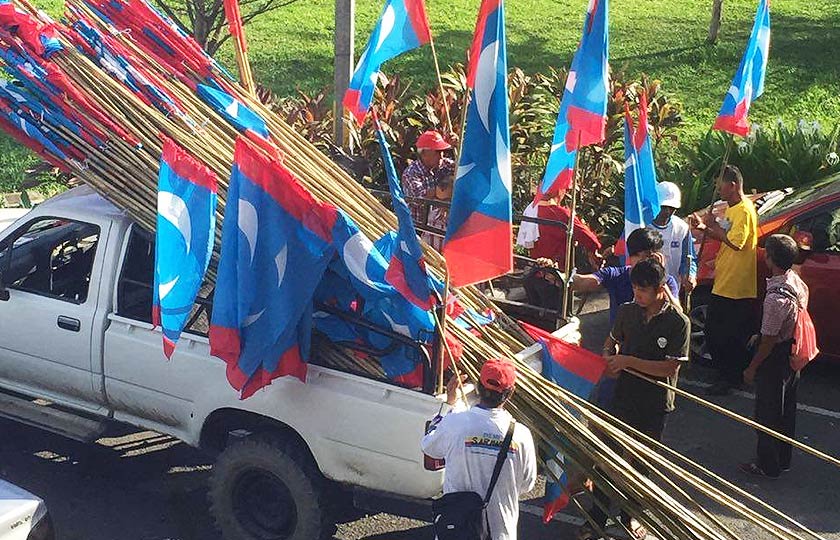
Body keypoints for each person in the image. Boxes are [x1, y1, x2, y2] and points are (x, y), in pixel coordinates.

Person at [578, 258, 690, 540]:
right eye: (635, 289)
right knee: (608, 458)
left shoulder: (678, 322)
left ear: (660, 289)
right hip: (623, 396)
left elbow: (669, 368)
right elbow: (611, 341)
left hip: (654, 402)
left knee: (641, 463)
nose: (637, 295)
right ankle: (597, 517)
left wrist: (627, 361)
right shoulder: (628, 311)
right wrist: (608, 357)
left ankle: (632, 515)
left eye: (643, 290)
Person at [421, 359, 537, 540]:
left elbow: (429, 446)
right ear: (510, 393)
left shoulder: (455, 423)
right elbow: (527, 484)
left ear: (478, 387)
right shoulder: (521, 435)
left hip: (457, 530)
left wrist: (448, 405)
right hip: (500, 533)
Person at [740, 234, 809, 478]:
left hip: (775, 358)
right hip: (791, 352)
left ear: (770, 259)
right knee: (786, 409)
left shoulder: (775, 299)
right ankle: (783, 458)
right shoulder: (796, 281)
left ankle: (767, 464)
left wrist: (751, 367)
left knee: (767, 413)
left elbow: (769, 340)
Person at [689, 165, 758, 395]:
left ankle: (730, 376)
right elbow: (725, 236)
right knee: (718, 332)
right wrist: (704, 228)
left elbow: (736, 243)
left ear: (733, 185)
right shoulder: (732, 208)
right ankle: (728, 374)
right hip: (725, 280)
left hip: (736, 285)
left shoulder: (744, 211)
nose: (718, 190)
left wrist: (713, 225)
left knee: (723, 334)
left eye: (721, 186)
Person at [570, 227, 680, 324]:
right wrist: (563, 277)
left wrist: (659, 277)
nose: (643, 261)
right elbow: (582, 282)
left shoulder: (667, 281)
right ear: (630, 256)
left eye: (649, 257)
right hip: (621, 338)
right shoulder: (616, 275)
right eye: (638, 256)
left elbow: (678, 313)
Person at [520, 193, 602, 270]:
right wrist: (594, 250)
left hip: (534, 265)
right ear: (558, 192)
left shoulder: (530, 210)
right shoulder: (561, 213)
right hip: (556, 268)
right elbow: (588, 237)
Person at [651, 181, 697, 296]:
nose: (667, 211)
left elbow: (689, 258)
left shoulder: (682, 228)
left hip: (672, 290)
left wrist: (690, 276)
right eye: (664, 207)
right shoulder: (642, 225)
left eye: (671, 208)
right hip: (646, 289)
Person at [401, 130, 454, 224]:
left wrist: (457, 146)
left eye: (442, 151)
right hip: (418, 227)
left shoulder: (445, 164)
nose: (442, 156)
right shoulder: (411, 173)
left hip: (440, 225)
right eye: (438, 152)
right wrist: (443, 189)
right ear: (424, 153)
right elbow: (419, 198)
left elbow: (464, 169)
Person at [422, 171, 453, 251]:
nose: (441, 206)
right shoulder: (433, 216)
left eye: (446, 201)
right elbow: (425, 246)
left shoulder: (464, 222)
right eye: (438, 200)